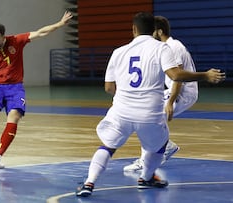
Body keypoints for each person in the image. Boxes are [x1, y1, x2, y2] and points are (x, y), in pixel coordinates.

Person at [75, 12, 225, 197]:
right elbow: (175, 75)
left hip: (121, 111)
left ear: (134, 29)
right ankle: (146, 178)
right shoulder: (162, 48)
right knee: (158, 146)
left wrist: (126, 97)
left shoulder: (118, 52)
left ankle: (89, 183)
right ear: (153, 30)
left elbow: (108, 87)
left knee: (108, 146)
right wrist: (205, 75)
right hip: (149, 113)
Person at [0, 11, 73, 169]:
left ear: (4, 37)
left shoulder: (16, 41)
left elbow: (40, 32)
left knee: (14, 117)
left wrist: (59, 24)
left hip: (15, 88)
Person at [123, 16, 199, 172]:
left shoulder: (172, 46)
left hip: (183, 92)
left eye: (152, 32)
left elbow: (178, 77)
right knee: (146, 115)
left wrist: (171, 101)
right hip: (174, 91)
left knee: (146, 115)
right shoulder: (164, 47)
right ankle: (166, 146)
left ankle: (147, 160)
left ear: (159, 31)